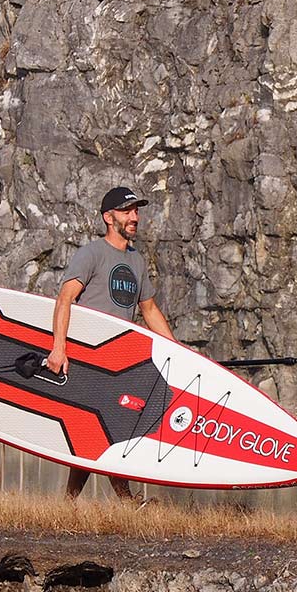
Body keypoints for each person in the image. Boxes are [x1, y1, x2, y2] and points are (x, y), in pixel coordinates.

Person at [46, 186, 179, 500]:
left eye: (136, 211)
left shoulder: (136, 261)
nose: (134, 217)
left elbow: (148, 309)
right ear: (108, 217)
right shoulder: (91, 254)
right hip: (90, 359)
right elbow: (65, 299)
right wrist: (59, 348)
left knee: (112, 429)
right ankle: (121, 499)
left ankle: (77, 502)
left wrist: (176, 350)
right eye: (127, 211)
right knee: (102, 429)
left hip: (121, 361)